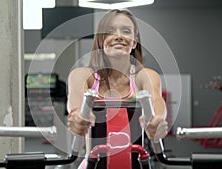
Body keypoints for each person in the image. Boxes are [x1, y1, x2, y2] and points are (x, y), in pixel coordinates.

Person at [67, 9, 168, 168]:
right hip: (93, 164)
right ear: (101, 40)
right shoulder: (82, 75)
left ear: (134, 42)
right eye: (110, 31)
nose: (119, 36)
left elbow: (156, 99)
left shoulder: (146, 75)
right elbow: (76, 101)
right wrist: (77, 116)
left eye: (126, 31)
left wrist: (157, 120)